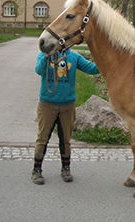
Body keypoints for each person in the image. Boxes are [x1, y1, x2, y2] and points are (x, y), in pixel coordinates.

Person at [32, 48, 100, 185]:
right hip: (47, 104)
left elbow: (91, 69)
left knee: (65, 139)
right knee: (42, 138)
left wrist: (105, 58)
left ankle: (66, 169)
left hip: (67, 106)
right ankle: (37, 169)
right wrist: (47, 56)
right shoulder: (44, 55)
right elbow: (39, 70)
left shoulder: (74, 57)